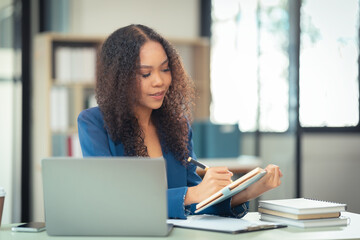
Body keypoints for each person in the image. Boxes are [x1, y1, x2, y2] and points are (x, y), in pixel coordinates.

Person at [78, 24, 282, 219]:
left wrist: (249, 190)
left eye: (165, 69)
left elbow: (198, 203)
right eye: (145, 73)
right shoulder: (93, 123)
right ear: (119, 78)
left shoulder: (178, 126)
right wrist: (193, 194)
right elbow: (111, 199)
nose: (159, 81)